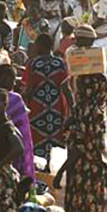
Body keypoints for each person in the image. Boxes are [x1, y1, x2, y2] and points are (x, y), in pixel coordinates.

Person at [54, 71, 107, 212]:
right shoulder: (99, 108)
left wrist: (61, 171)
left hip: (83, 173)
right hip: (97, 172)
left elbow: (78, 145)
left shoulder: (87, 110)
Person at [24, 33, 69, 161]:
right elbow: (66, 88)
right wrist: (71, 108)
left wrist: (23, 105)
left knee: (37, 139)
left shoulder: (33, 64)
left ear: (41, 46)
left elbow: (29, 89)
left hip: (37, 108)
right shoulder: (60, 63)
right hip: (56, 108)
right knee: (56, 141)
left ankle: (39, 169)